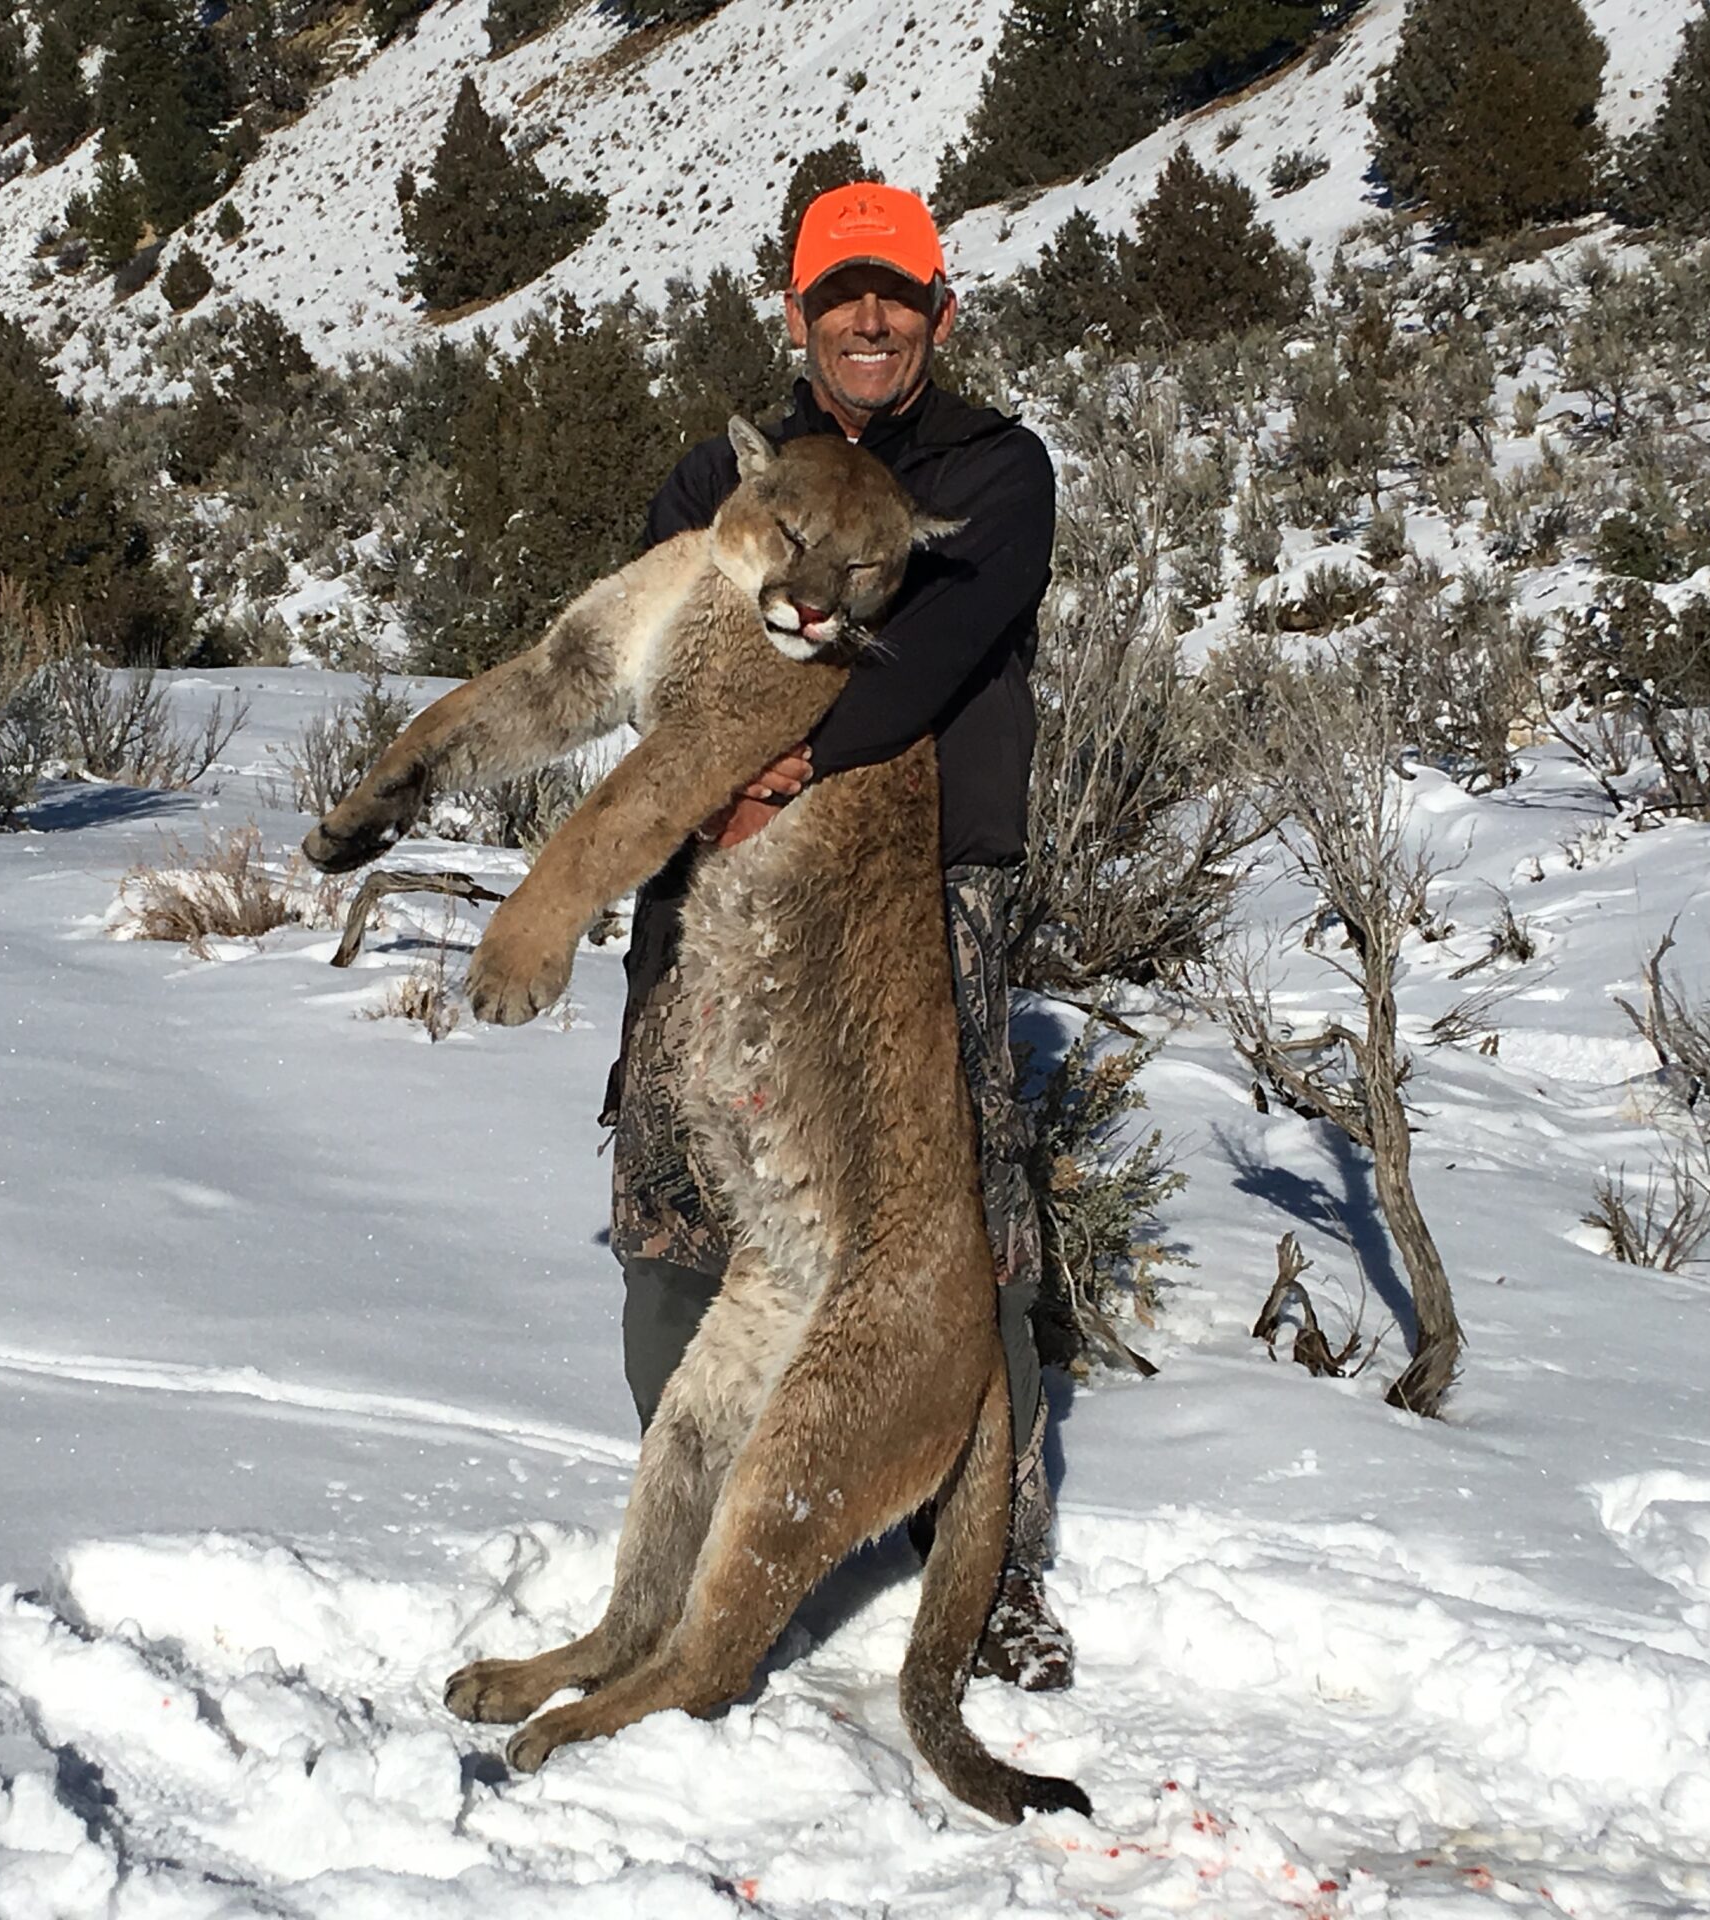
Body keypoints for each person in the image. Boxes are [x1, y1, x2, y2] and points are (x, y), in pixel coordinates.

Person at [603, 183, 1072, 1689]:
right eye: (839, 296)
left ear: (942, 311)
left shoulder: (993, 473)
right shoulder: (720, 471)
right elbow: (677, 648)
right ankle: (721, 1547)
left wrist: (788, 757)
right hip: (718, 877)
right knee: (679, 1202)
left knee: (961, 1229)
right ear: (796, 317)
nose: (870, 320)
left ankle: (990, 1572)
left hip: (915, 888)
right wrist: (710, 779)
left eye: (899, 295)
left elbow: (934, 650)